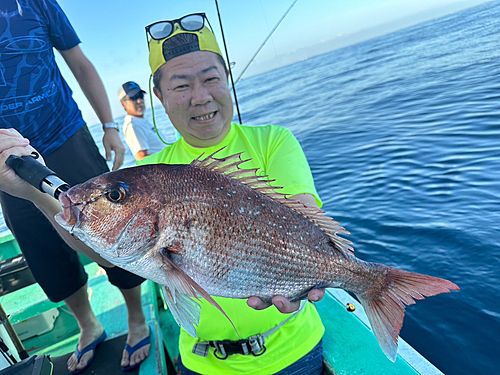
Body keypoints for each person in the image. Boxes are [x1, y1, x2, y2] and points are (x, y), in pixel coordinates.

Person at [0, 11, 326, 375]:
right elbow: (106, 256)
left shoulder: (275, 141)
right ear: (159, 94)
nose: (200, 97)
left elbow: (302, 214)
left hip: (295, 349)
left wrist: (315, 265)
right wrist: (33, 194)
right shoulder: (153, 169)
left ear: (227, 77)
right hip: (200, 363)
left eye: (211, 78)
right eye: (182, 85)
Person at [0, 0, 149, 373]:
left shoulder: (34, 4)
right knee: (43, 249)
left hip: (65, 136)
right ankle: (88, 325)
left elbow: (80, 63)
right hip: (6, 159)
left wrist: (110, 127)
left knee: (115, 230)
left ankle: (136, 318)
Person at [118, 81, 166, 160]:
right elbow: (142, 158)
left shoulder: (140, 121)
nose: (139, 101)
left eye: (140, 96)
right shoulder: (132, 125)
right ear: (123, 103)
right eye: (133, 98)